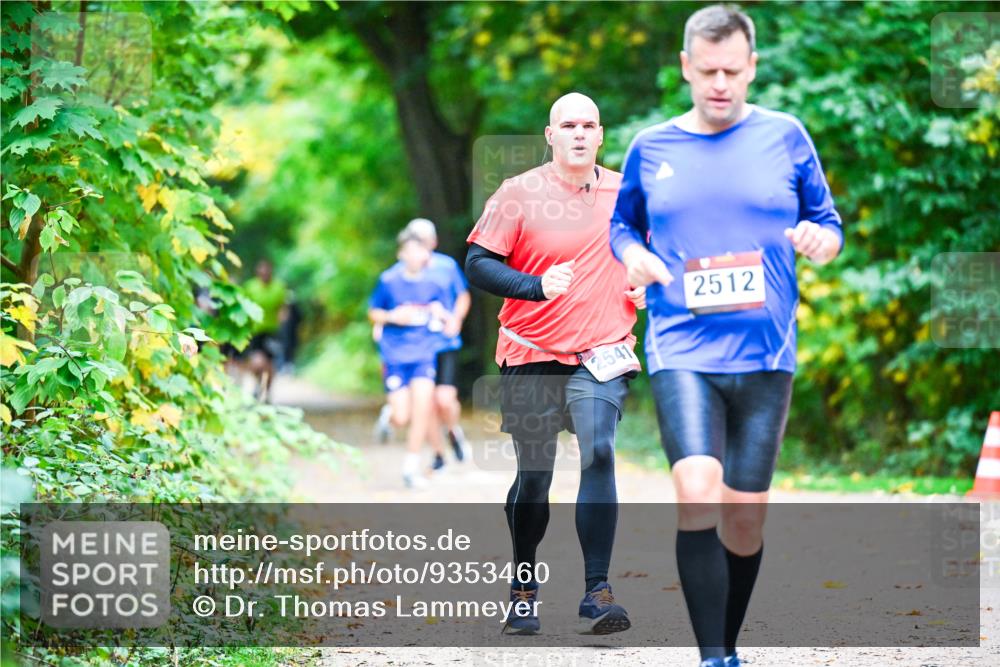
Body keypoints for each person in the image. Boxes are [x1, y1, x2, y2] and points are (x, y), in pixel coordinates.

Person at [609, 6, 844, 666]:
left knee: (745, 520)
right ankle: (714, 656)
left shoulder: (787, 136)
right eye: (707, 70)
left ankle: (728, 639)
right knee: (696, 490)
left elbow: (827, 221)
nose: (719, 83)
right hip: (682, 344)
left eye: (732, 71)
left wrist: (821, 240)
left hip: (767, 353)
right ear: (685, 67)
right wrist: (634, 255)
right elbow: (621, 225)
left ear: (753, 68)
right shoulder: (651, 147)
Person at [466, 92, 646, 635]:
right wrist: (535, 285)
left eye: (589, 124)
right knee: (535, 475)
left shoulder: (626, 192)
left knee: (598, 449)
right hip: (530, 351)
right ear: (550, 135)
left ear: (600, 133)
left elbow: (652, 253)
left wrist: (643, 282)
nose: (579, 133)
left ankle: (598, 591)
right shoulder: (518, 194)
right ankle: (523, 585)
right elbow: (477, 263)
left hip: (601, 351)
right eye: (568, 124)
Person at [375, 218, 472, 467]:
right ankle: (438, 454)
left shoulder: (446, 266)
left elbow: (462, 296)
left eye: (424, 240)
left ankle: (453, 431)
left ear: (433, 242)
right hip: (416, 347)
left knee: (445, 399)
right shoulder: (400, 272)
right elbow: (386, 306)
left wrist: (456, 319)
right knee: (424, 402)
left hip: (445, 342)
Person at [369, 230, 450, 488]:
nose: (416, 256)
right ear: (401, 254)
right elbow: (373, 313)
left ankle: (410, 467)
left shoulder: (435, 283)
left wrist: (442, 315)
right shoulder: (388, 281)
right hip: (394, 355)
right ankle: (389, 415)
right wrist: (393, 317)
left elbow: (445, 317)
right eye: (410, 251)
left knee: (422, 409)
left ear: (426, 254)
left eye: (420, 251)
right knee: (402, 416)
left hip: (423, 354)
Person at [239, 259, 288, 403]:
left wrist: (282, 318)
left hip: (272, 331)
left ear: (271, 271)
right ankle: (258, 383)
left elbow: (283, 307)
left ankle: (267, 391)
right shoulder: (250, 287)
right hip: (255, 331)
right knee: (257, 363)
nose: (265, 273)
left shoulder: (279, 287)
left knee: (270, 365)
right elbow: (243, 305)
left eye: (267, 270)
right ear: (258, 271)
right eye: (262, 270)